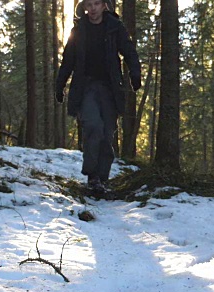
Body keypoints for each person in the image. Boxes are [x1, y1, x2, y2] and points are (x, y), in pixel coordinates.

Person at [55, 0, 141, 193]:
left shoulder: (115, 27)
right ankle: (92, 175)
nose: (92, 9)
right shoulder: (79, 30)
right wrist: (59, 86)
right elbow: (68, 60)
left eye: (96, 4)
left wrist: (135, 74)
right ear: (84, 7)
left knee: (108, 132)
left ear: (104, 6)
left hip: (110, 88)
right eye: (89, 5)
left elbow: (129, 51)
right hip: (86, 87)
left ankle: (102, 178)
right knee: (93, 126)